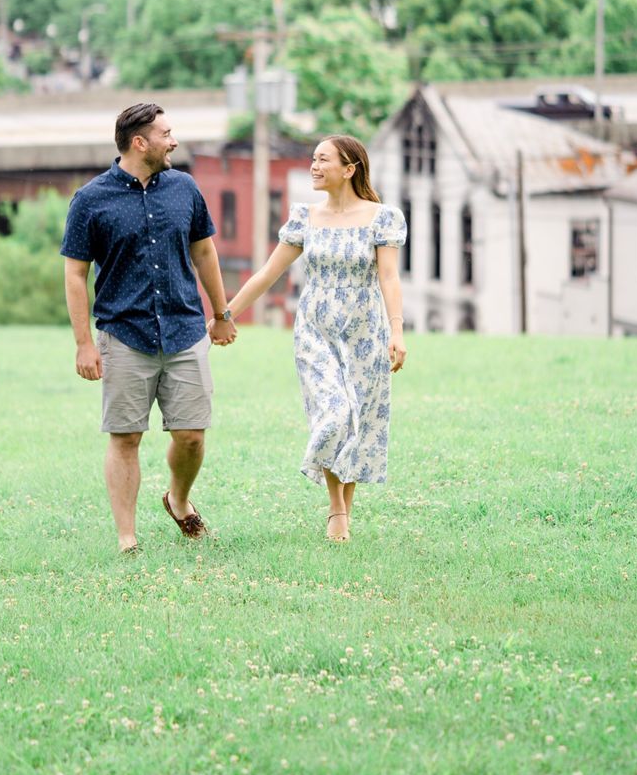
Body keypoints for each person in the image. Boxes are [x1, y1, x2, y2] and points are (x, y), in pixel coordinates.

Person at [61, 103, 237, 553]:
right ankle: (128, 538)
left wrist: (221, 314)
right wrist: (84, 343)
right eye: (166, 133)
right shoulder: (90, 200)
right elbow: (75, 274)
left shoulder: (185, 188)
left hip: (185, 330)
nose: (173, 141)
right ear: (140, 143)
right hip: (124, 334)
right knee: (126, 438)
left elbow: (204, 252)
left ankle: (178, 500)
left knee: (191, 436)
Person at [223, 135, 407, 542]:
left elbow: (389, 277)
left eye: (323, 160)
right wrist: (226, 314)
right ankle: (335, 505)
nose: (314, 166)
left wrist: (397, 330)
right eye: (313, 159)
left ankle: (345, 509)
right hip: (315, 330)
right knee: (334, 413)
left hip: (364, 331)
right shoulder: (305, 218)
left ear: (349, 169)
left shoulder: (382, 218)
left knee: (358, 418)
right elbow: (267, 275)